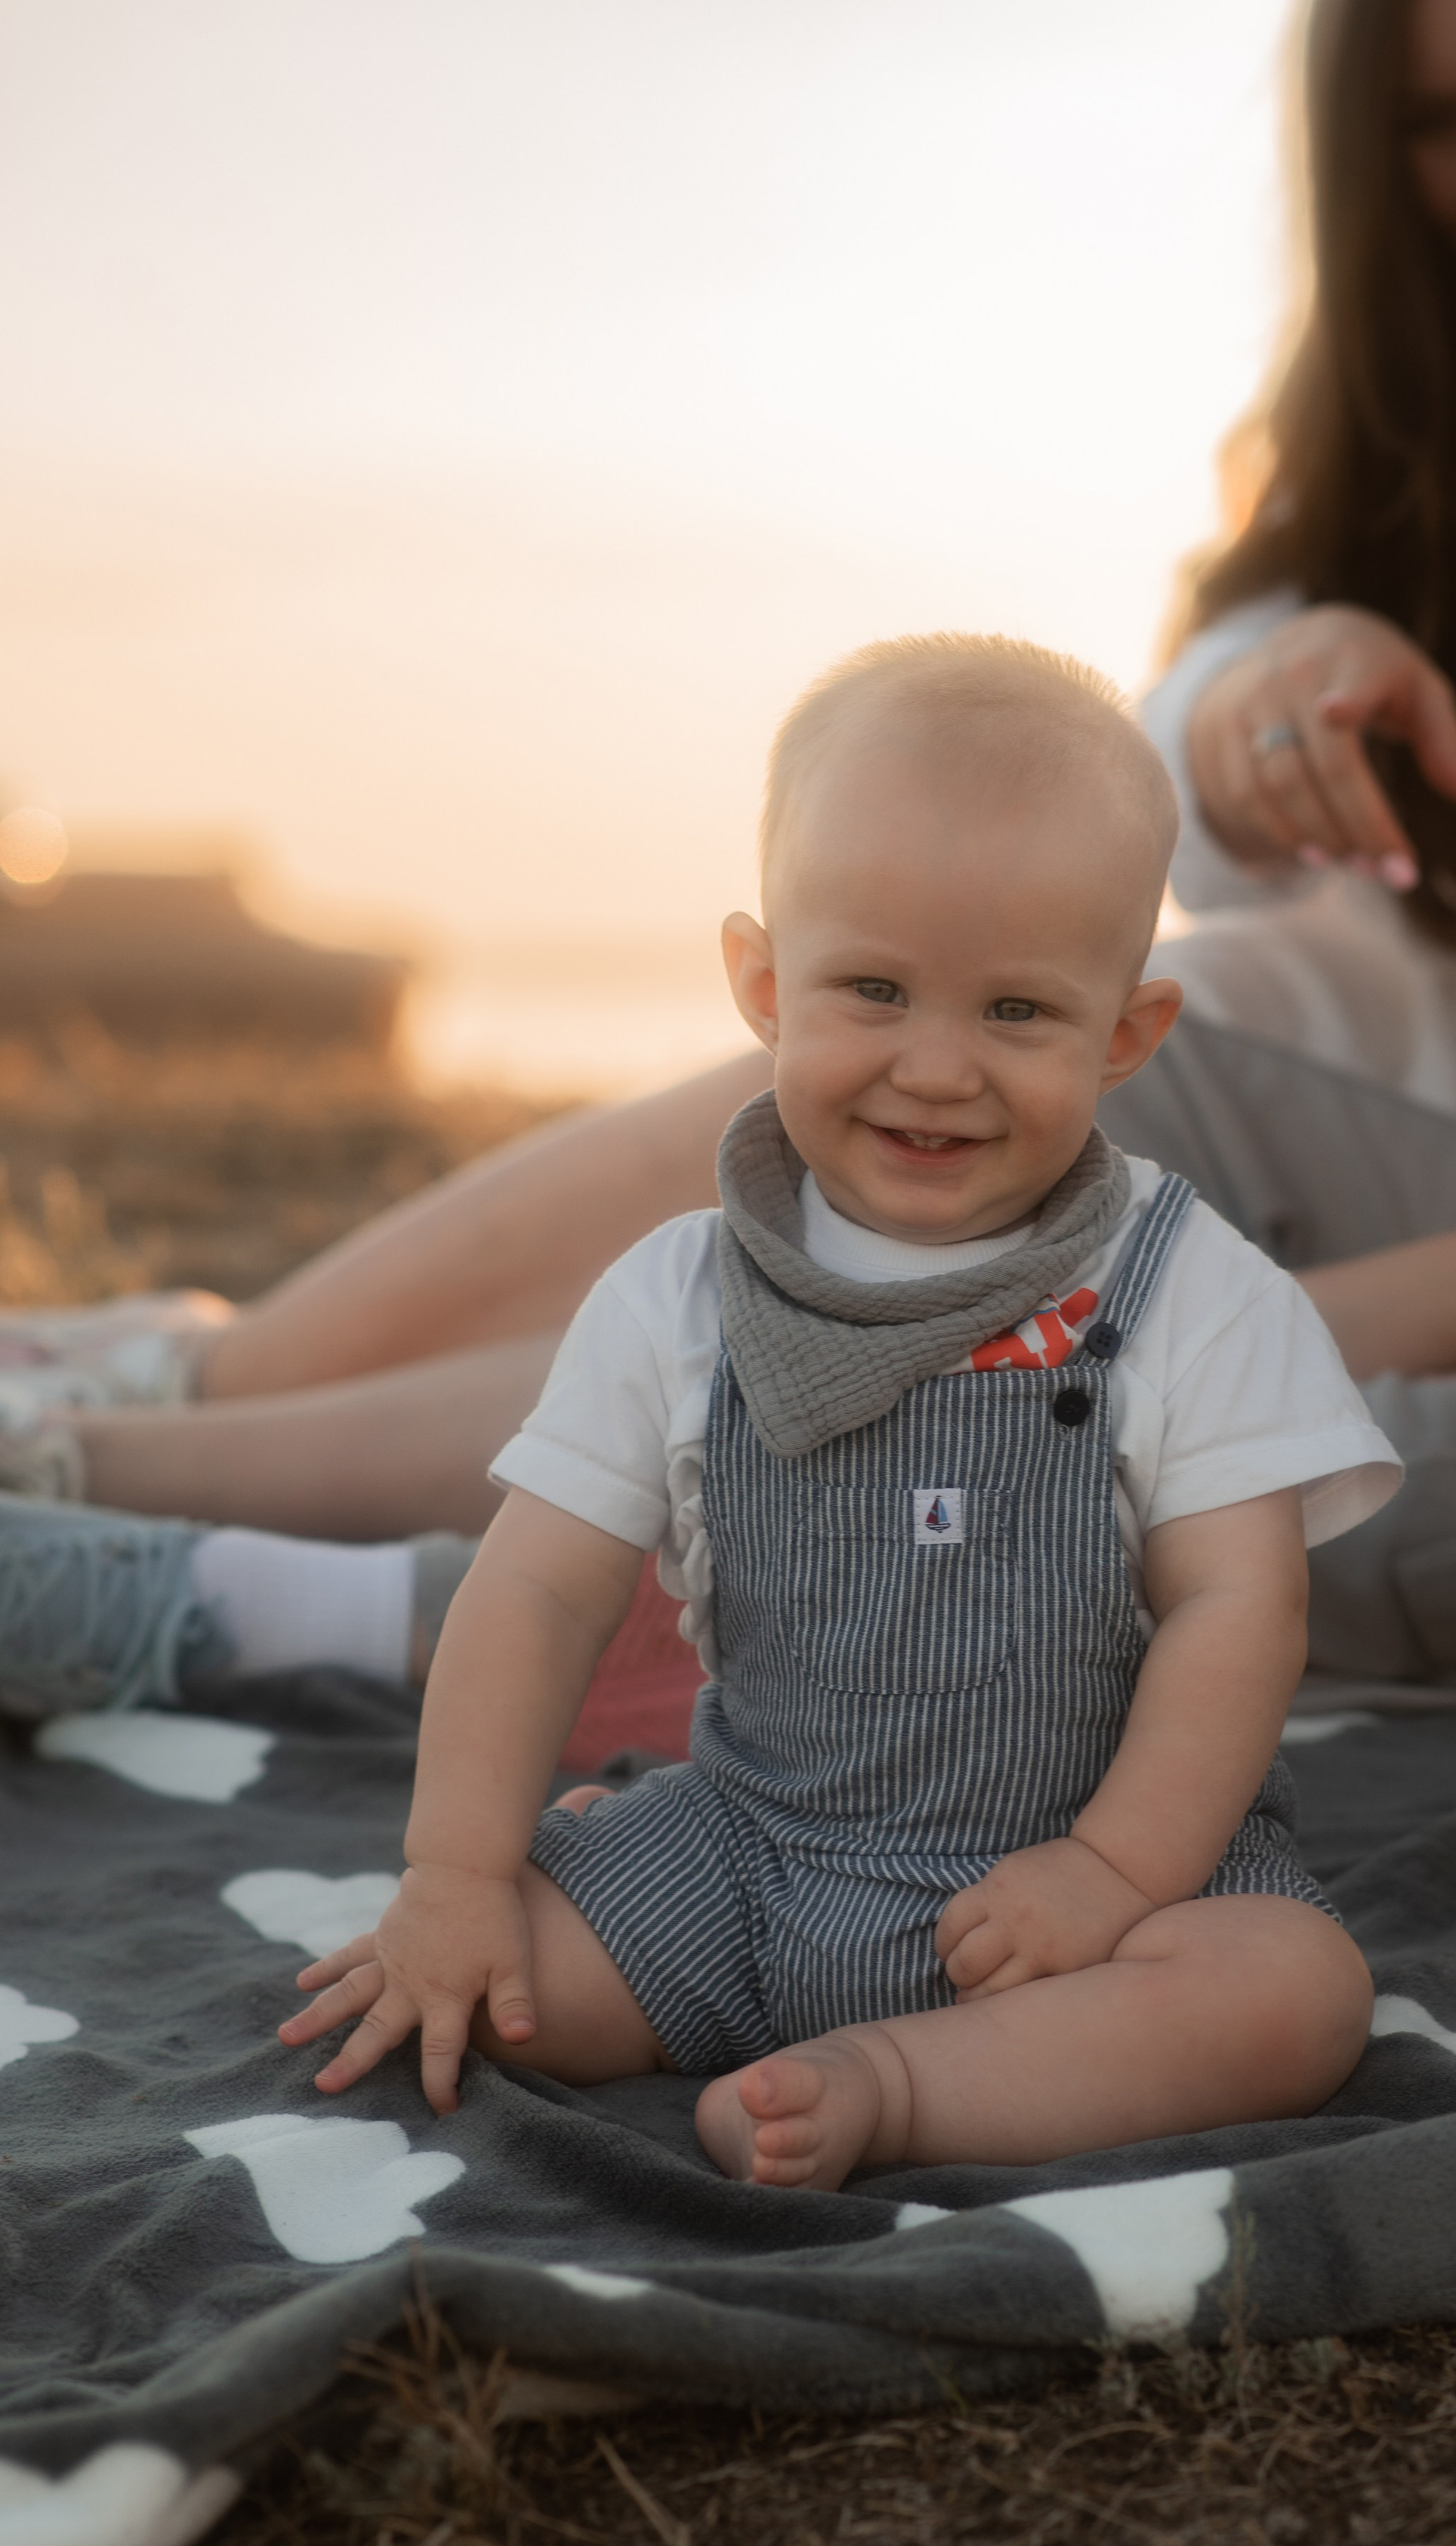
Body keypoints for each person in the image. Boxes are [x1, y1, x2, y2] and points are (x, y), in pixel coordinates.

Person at [0, 0, 1456, 1698]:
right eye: (1441, 123)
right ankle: (138, 1421)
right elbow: (1165, 774)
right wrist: (1251, 697)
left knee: (1078, 1364)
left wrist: (1434, 1286)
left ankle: (238, 1579)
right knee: (948, 1089)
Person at [277, 638, 1390, 2186]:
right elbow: (534, 1585)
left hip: (1073, 1900)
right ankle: (660, 1951)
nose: (933, 1068)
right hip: (745, 1859)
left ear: (1125, 1034)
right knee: (480, 1984)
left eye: (1015, 1011)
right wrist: (454, 1870)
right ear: (760, 983)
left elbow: (1239, 1610)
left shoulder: (1191, 1291)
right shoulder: (682, 1292)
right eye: (871, 990)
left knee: (1291, 1994)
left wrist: (1111, 1867)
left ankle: (892, 2085)